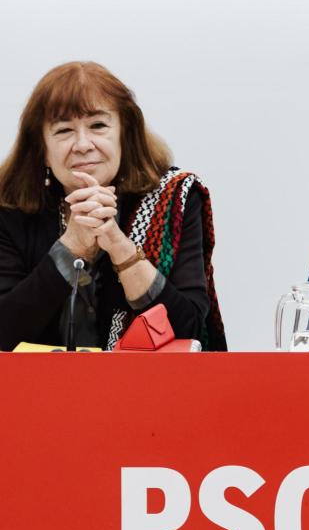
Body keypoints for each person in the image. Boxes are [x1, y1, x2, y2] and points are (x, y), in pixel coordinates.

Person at [0, 61, 226, 351]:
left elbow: (190, 330)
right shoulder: (10, 209)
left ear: (124, 135)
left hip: (151, 388)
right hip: (39, 390)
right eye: (64, 131)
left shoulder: (174, 199)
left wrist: (119, 246)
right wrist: (70, 248)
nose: (82, 144)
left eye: (98, 126)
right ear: (42, 150)